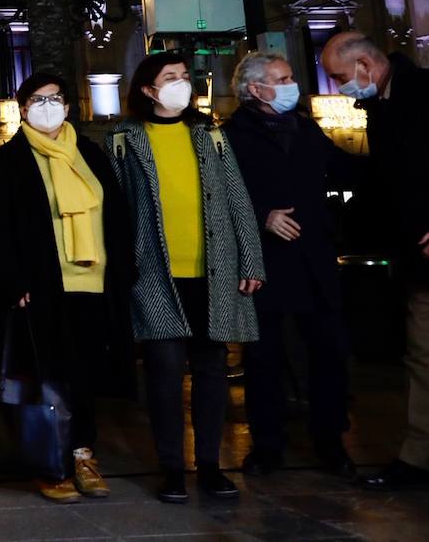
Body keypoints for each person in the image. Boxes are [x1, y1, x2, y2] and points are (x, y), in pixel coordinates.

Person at [109, 52, 265, 504]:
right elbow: (117, 207)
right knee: (163, 373)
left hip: (212, 272)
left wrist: (251, 260)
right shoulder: (124, 137)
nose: (181, 83)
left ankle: (211, 465)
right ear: (147, 89)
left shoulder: (210, 133)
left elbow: (238, 197)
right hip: (155, 273)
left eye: (183, 76)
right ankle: (172, 468)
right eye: (170, 77)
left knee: (212, 369)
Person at [0, 72, 137, 503]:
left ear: (68, 106)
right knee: (47, 379)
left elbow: (116, 214)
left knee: (85, 376)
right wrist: (12, 282)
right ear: (22, 107)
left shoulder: (90, 152)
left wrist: (123, 272)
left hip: (94, 282)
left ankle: (84, 455)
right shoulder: (7, 161)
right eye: (37, 99)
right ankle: (50, 462)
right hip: (43, 285)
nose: (48, 106)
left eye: (55, 98)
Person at [223, 52, 359, 478]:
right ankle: (267, 445)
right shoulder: (231, 136)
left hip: (314, 258)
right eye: (281, 79)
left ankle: (331, 441)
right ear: (255, 89)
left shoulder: (304, 126)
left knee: (329, 353)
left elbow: (341, 168)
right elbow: (223, 193)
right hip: (265, 264)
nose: (290, 84)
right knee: (264, 359)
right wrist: (264, 214)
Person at [320, 31, 429, 490]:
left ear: (365, 64)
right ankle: (418, 457)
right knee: (423, 356)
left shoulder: (422, 92)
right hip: (416, 258)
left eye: (341, 77)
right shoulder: (379, 105)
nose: (340, 87)